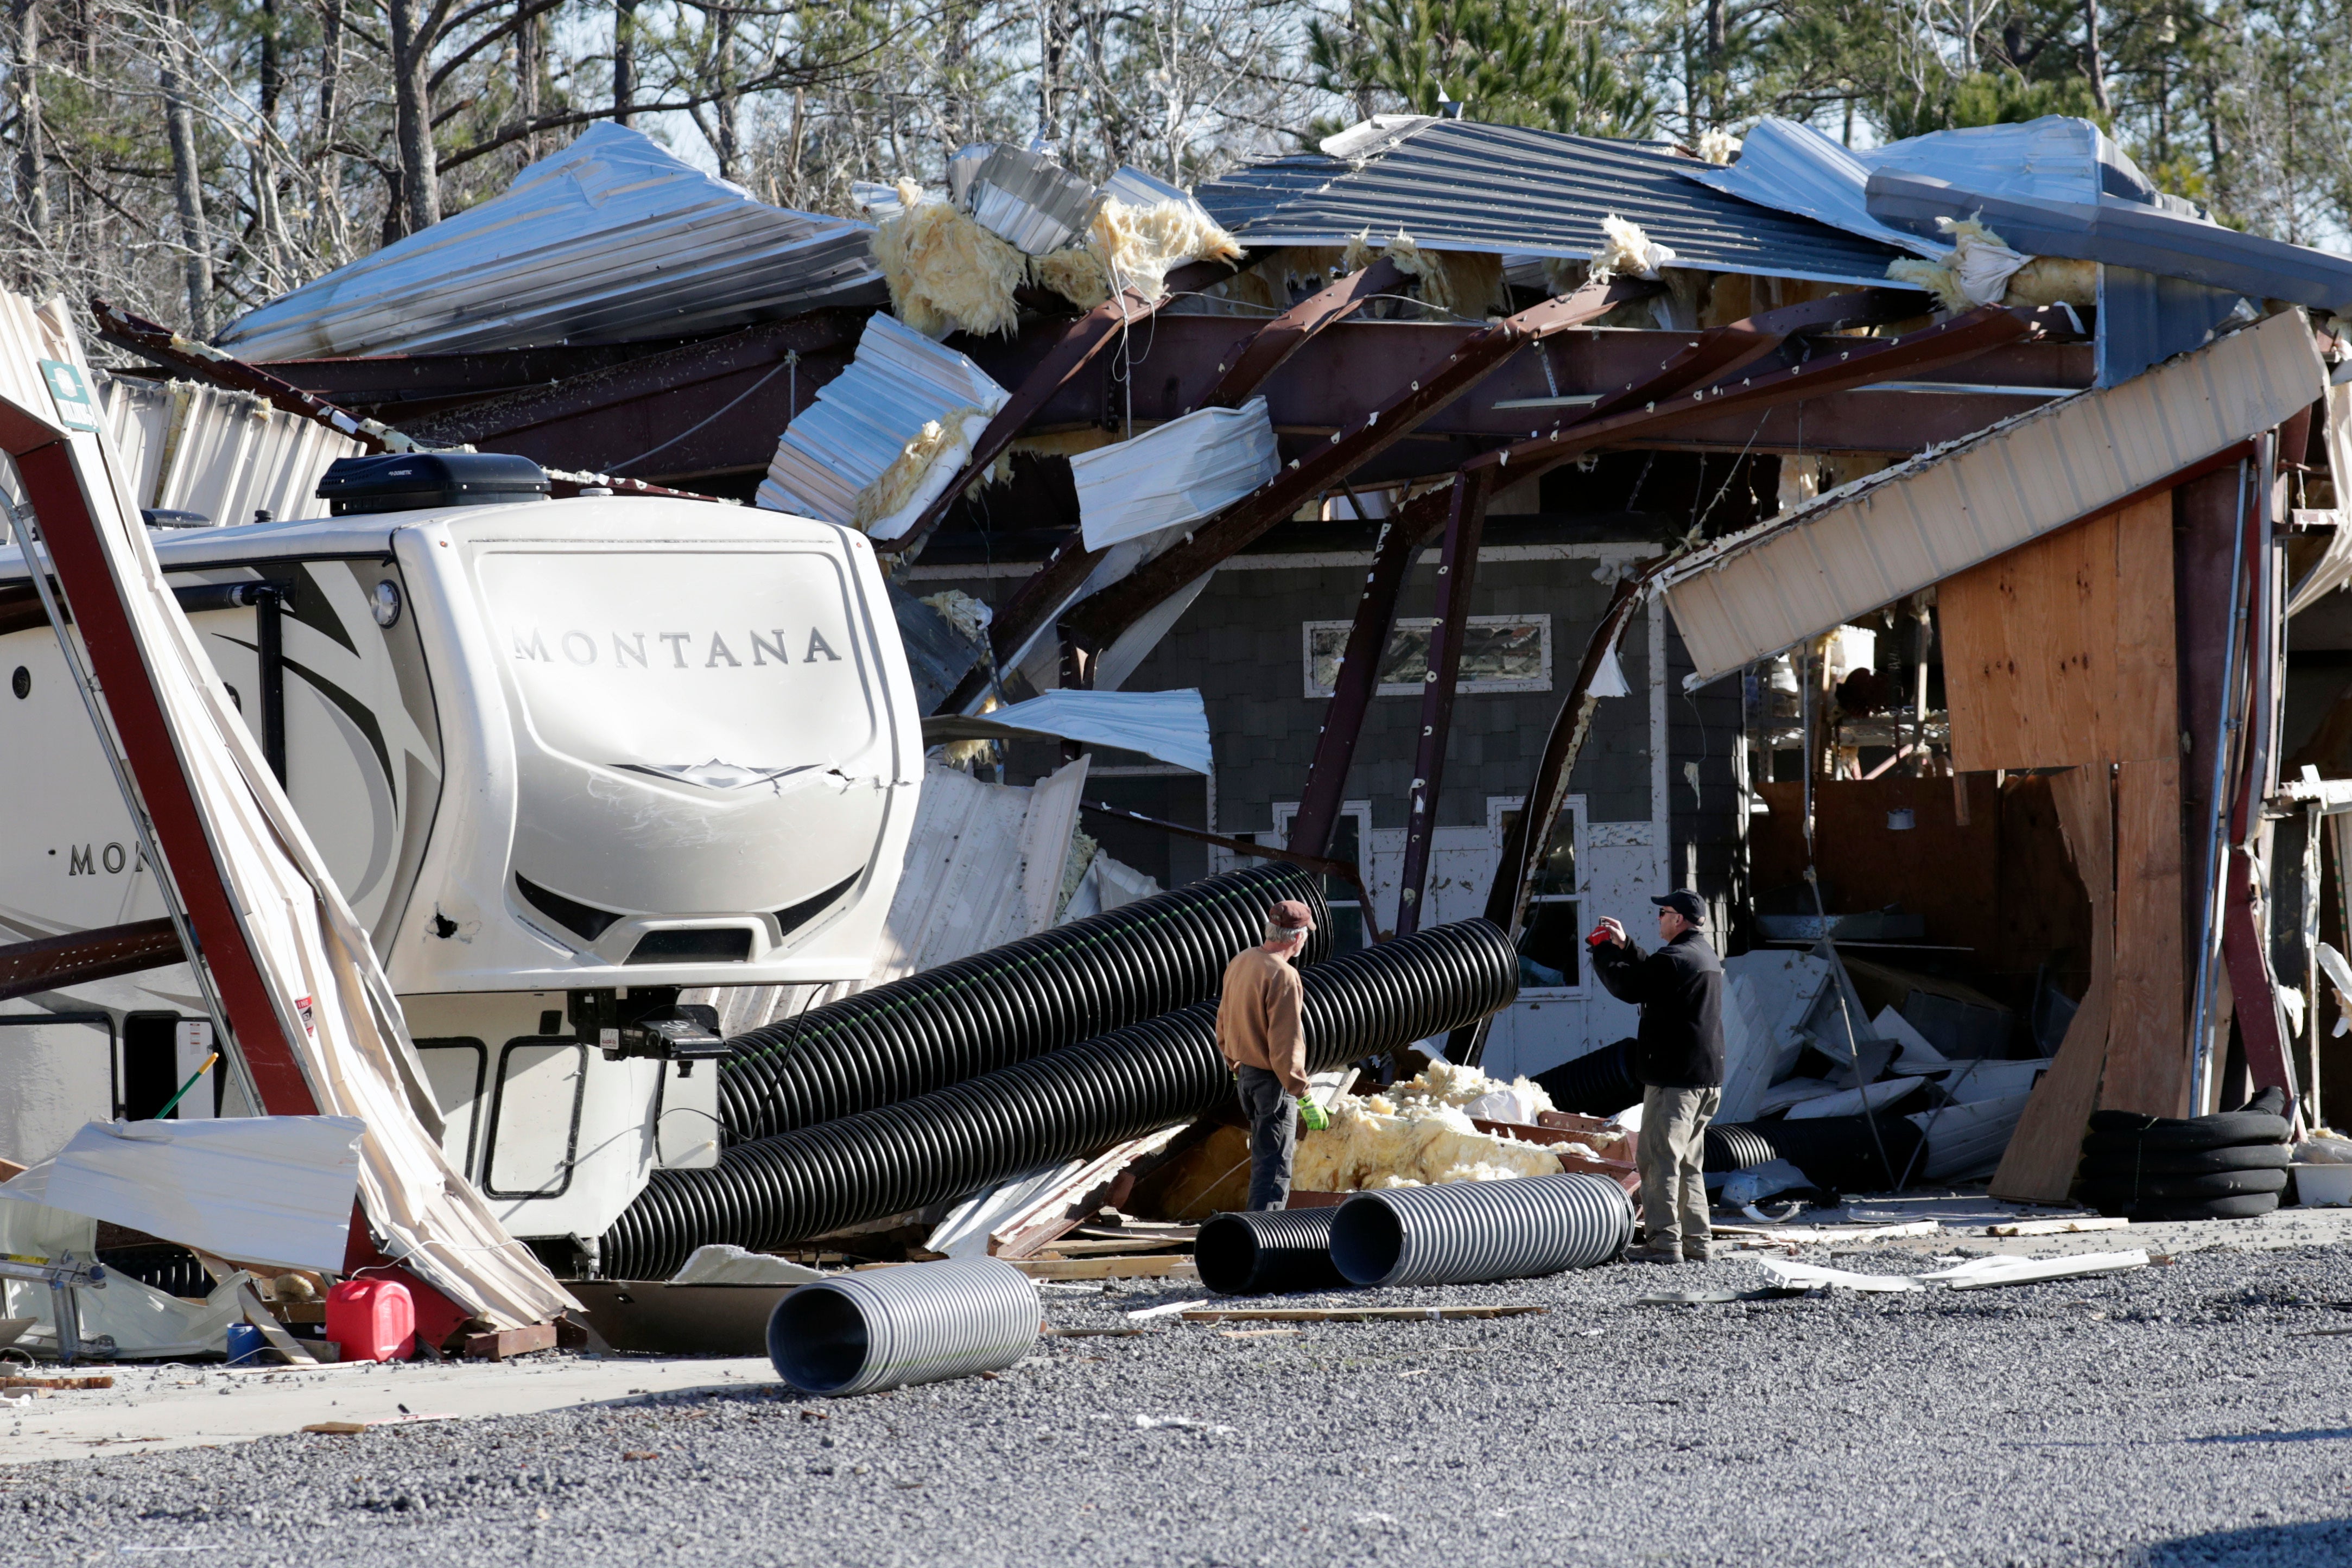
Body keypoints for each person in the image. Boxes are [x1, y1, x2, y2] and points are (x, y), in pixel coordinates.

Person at [1589, 889, 1725, 1265]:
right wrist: (1626, 944)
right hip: (1705, 1080)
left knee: (1657, 1159)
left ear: (1678, 919)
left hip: (1675, 1081)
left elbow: (1628, 986)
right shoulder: (1700, 955)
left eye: (1662, 913)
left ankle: (1664, 1243)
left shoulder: (1676, 958)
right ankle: (1697, 1242)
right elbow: (1654, 975)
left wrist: (1603, 949)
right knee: (1687, 1163)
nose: (1658, 919)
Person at [1215, 899, 1317, 1211]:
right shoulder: (1283, 975)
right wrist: (1303, 1094)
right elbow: (1285, 1045)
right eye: (1306, 935)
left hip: (1245, 1077)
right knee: (1274, 1170)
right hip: (1273, 1083)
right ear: (1298, 937)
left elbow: (1222, 1022)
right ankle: (1263, 1244)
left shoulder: (1242, 961)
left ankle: (1251, 1235)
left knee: (1262, 1162)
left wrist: (1234, 1063)